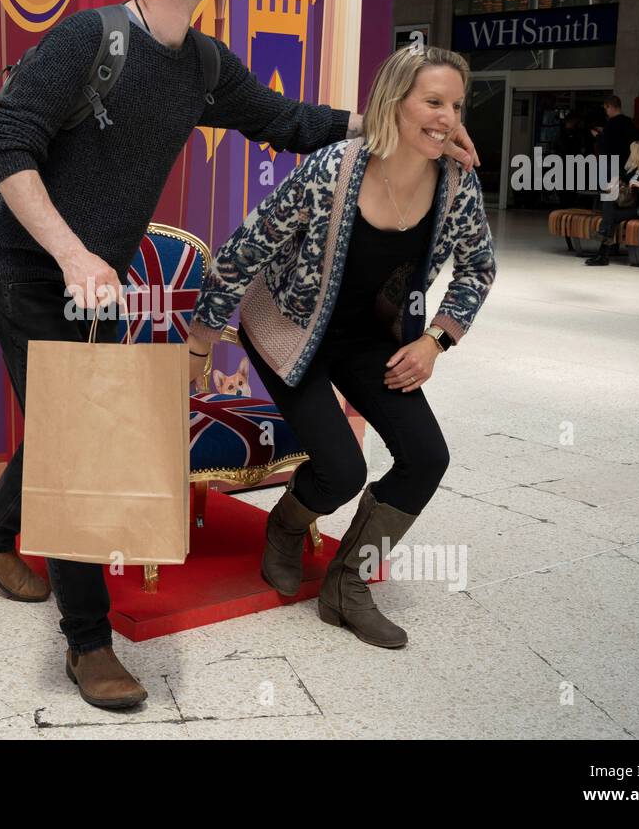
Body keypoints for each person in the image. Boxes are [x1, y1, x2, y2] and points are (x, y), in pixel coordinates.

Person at [0, 0, 484, 710]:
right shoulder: (91, 39)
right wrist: (72, 254)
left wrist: (403, 125)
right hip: (32, 276)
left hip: (99, 287)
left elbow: (286, 121)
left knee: (76, 423)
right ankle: (88, 644)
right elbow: (7, 145)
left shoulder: (203, 65)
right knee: (82, 445)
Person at [187, 45, 496, 650]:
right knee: (342, 471)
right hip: (290, 330)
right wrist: (200, 344)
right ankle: (285, 526)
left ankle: (347, 585)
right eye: (434, 102)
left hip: (374, 339)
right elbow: (243, 251)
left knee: (426, 457)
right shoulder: (332, 169)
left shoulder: (457, 185)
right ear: (395, 102)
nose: (448, 119)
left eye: (457, 106)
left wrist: (435, 340)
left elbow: (478, 268)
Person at [585, 139, 639, 267]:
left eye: (634, 152)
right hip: (636, 207)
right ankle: (603, 249)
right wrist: (615, 182)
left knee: (610, 217)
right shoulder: (638, 169)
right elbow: (624, 179)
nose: (631, 155)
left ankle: (602, 252)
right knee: (609, 199)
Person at [591, 95, 639, 171]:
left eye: (606, 108)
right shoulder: (628, 121)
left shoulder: (612, 123)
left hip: (611, 161)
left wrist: (597, 135)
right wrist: (604, 131)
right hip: (625, 160)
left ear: (611, 107)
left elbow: (607, 144)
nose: (606, 112)